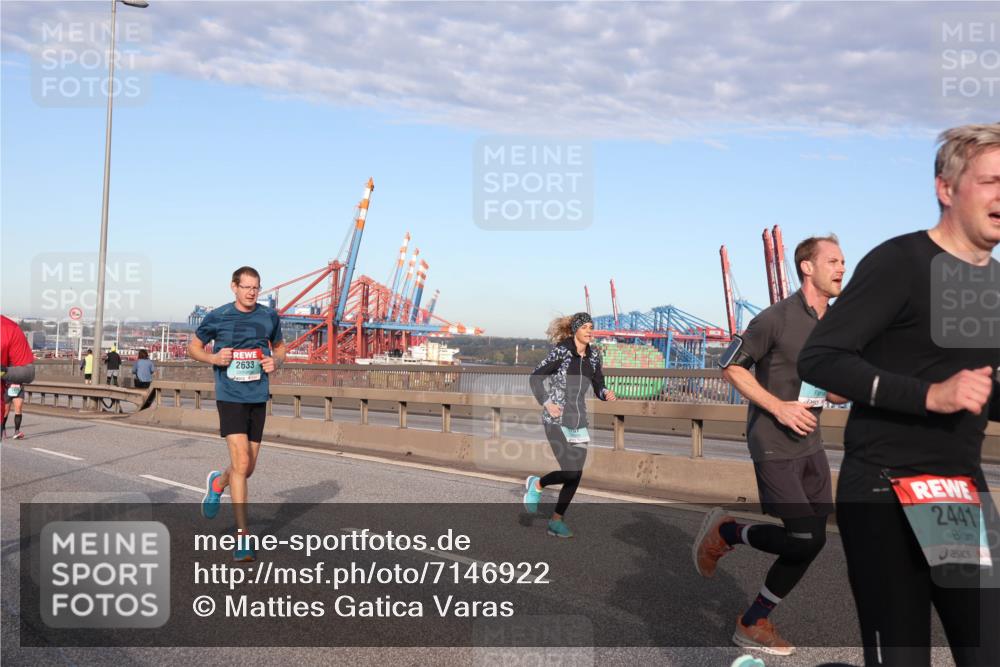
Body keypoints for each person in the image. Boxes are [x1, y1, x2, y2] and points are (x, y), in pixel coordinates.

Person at [798, 124, 1000, 666]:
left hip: (956, 494)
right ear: (946, 189)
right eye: (990, 181)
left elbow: (983, 391)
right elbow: (820, 358)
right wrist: (928, 395)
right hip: (885, 489)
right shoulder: (901, 262)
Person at [693, 235, 847, 656]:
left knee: (813, 541)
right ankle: (728, 531)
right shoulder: (774, 319)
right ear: (807, 267)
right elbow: (730, 366)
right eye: (832, 261)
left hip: (810, 442)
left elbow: (828, 387)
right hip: (773, 441)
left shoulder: (836, 323)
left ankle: (754, 619)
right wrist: (778, 407)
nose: (840, 268)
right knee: (800, 539)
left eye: (843, 262)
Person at [187, 266, 285, 562]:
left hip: (258, 396)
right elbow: (193, 347)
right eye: (246, 287)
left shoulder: (269, 316)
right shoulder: (218, 316)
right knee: (242, 462)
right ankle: (243, 538)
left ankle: (218, 482)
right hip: (229, 396)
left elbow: (280, 348)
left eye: (256, 287)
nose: (252, 292)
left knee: (247, 468)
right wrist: (213, 357)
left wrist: (275, 362)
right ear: (234, 287)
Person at [523, 312, 616, 538]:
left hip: (578, 420)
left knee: (576, 475)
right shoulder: (562, 351)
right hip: (555, 419)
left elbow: (598, 384)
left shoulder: (594, 357)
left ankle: (556, 521)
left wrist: (605, 393)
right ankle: (538, 484)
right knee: (570, 470)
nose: (589, 331)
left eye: (591, 327)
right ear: (575, 329)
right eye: (585, 327)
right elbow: (535, 377)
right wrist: (547, 403)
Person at [1, 315, 35, 441]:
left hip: (18, 386)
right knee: (5, 411)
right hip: (8, 386)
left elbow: (28, 371)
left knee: (19, 408)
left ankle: (16, 431)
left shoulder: (22, 356)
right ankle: (3, 428)